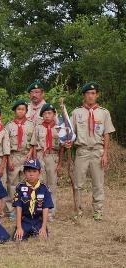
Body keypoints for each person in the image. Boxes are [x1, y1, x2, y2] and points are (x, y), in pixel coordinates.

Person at [70, 82, 115, 221]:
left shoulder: (104, 112)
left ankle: (98, 210)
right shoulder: (76, 112)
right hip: (82, 151)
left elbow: (107, 134)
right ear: (84, 95)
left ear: (97, 95)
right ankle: (78, 210)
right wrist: (67, 141)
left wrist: (105, 154)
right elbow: (70, 133)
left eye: (93, 93)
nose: (90, 96)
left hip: (97, 151)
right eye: (88, 93)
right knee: (78, 184)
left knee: (98, 183)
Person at [31, 103, 64, 221]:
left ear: (54, 114)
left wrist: (60, 164)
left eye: (49, 113)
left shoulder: (60, 128)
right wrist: (35, 162)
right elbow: (34, 145)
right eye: (44, 114)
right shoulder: (38, 128)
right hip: (40, 156)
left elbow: (62, 148)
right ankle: (39, 211)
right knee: (40, 184)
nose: (47, 116)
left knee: (52, 185)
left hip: (53, 157)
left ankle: (50, 212)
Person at [5, 100, 34, 220]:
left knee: (25, 183)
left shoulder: (31, 125)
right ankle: (11, 209)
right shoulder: (9, 125)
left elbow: (33, 143)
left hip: (26, 156)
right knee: (12, 184)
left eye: (23, 109)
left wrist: (30, 153)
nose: (20, 111)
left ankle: (24, 207)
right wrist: (9, 159)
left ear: (26, 111)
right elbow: (6, 144)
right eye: (18, 109)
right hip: (14, 156)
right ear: (15, 111)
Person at [13, 159, 53, 241]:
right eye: (28, 171)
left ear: (39, 172)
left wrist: (43, 227)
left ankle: (39, 229)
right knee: (17, 239)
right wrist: (19, 227)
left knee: (42, 239)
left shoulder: (44, 188)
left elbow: (46, 208)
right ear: (24, 173)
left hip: (38, 220)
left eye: (34, 171)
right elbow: (18, 207)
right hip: (25, 220)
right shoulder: (20, 187)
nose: (31, 174)